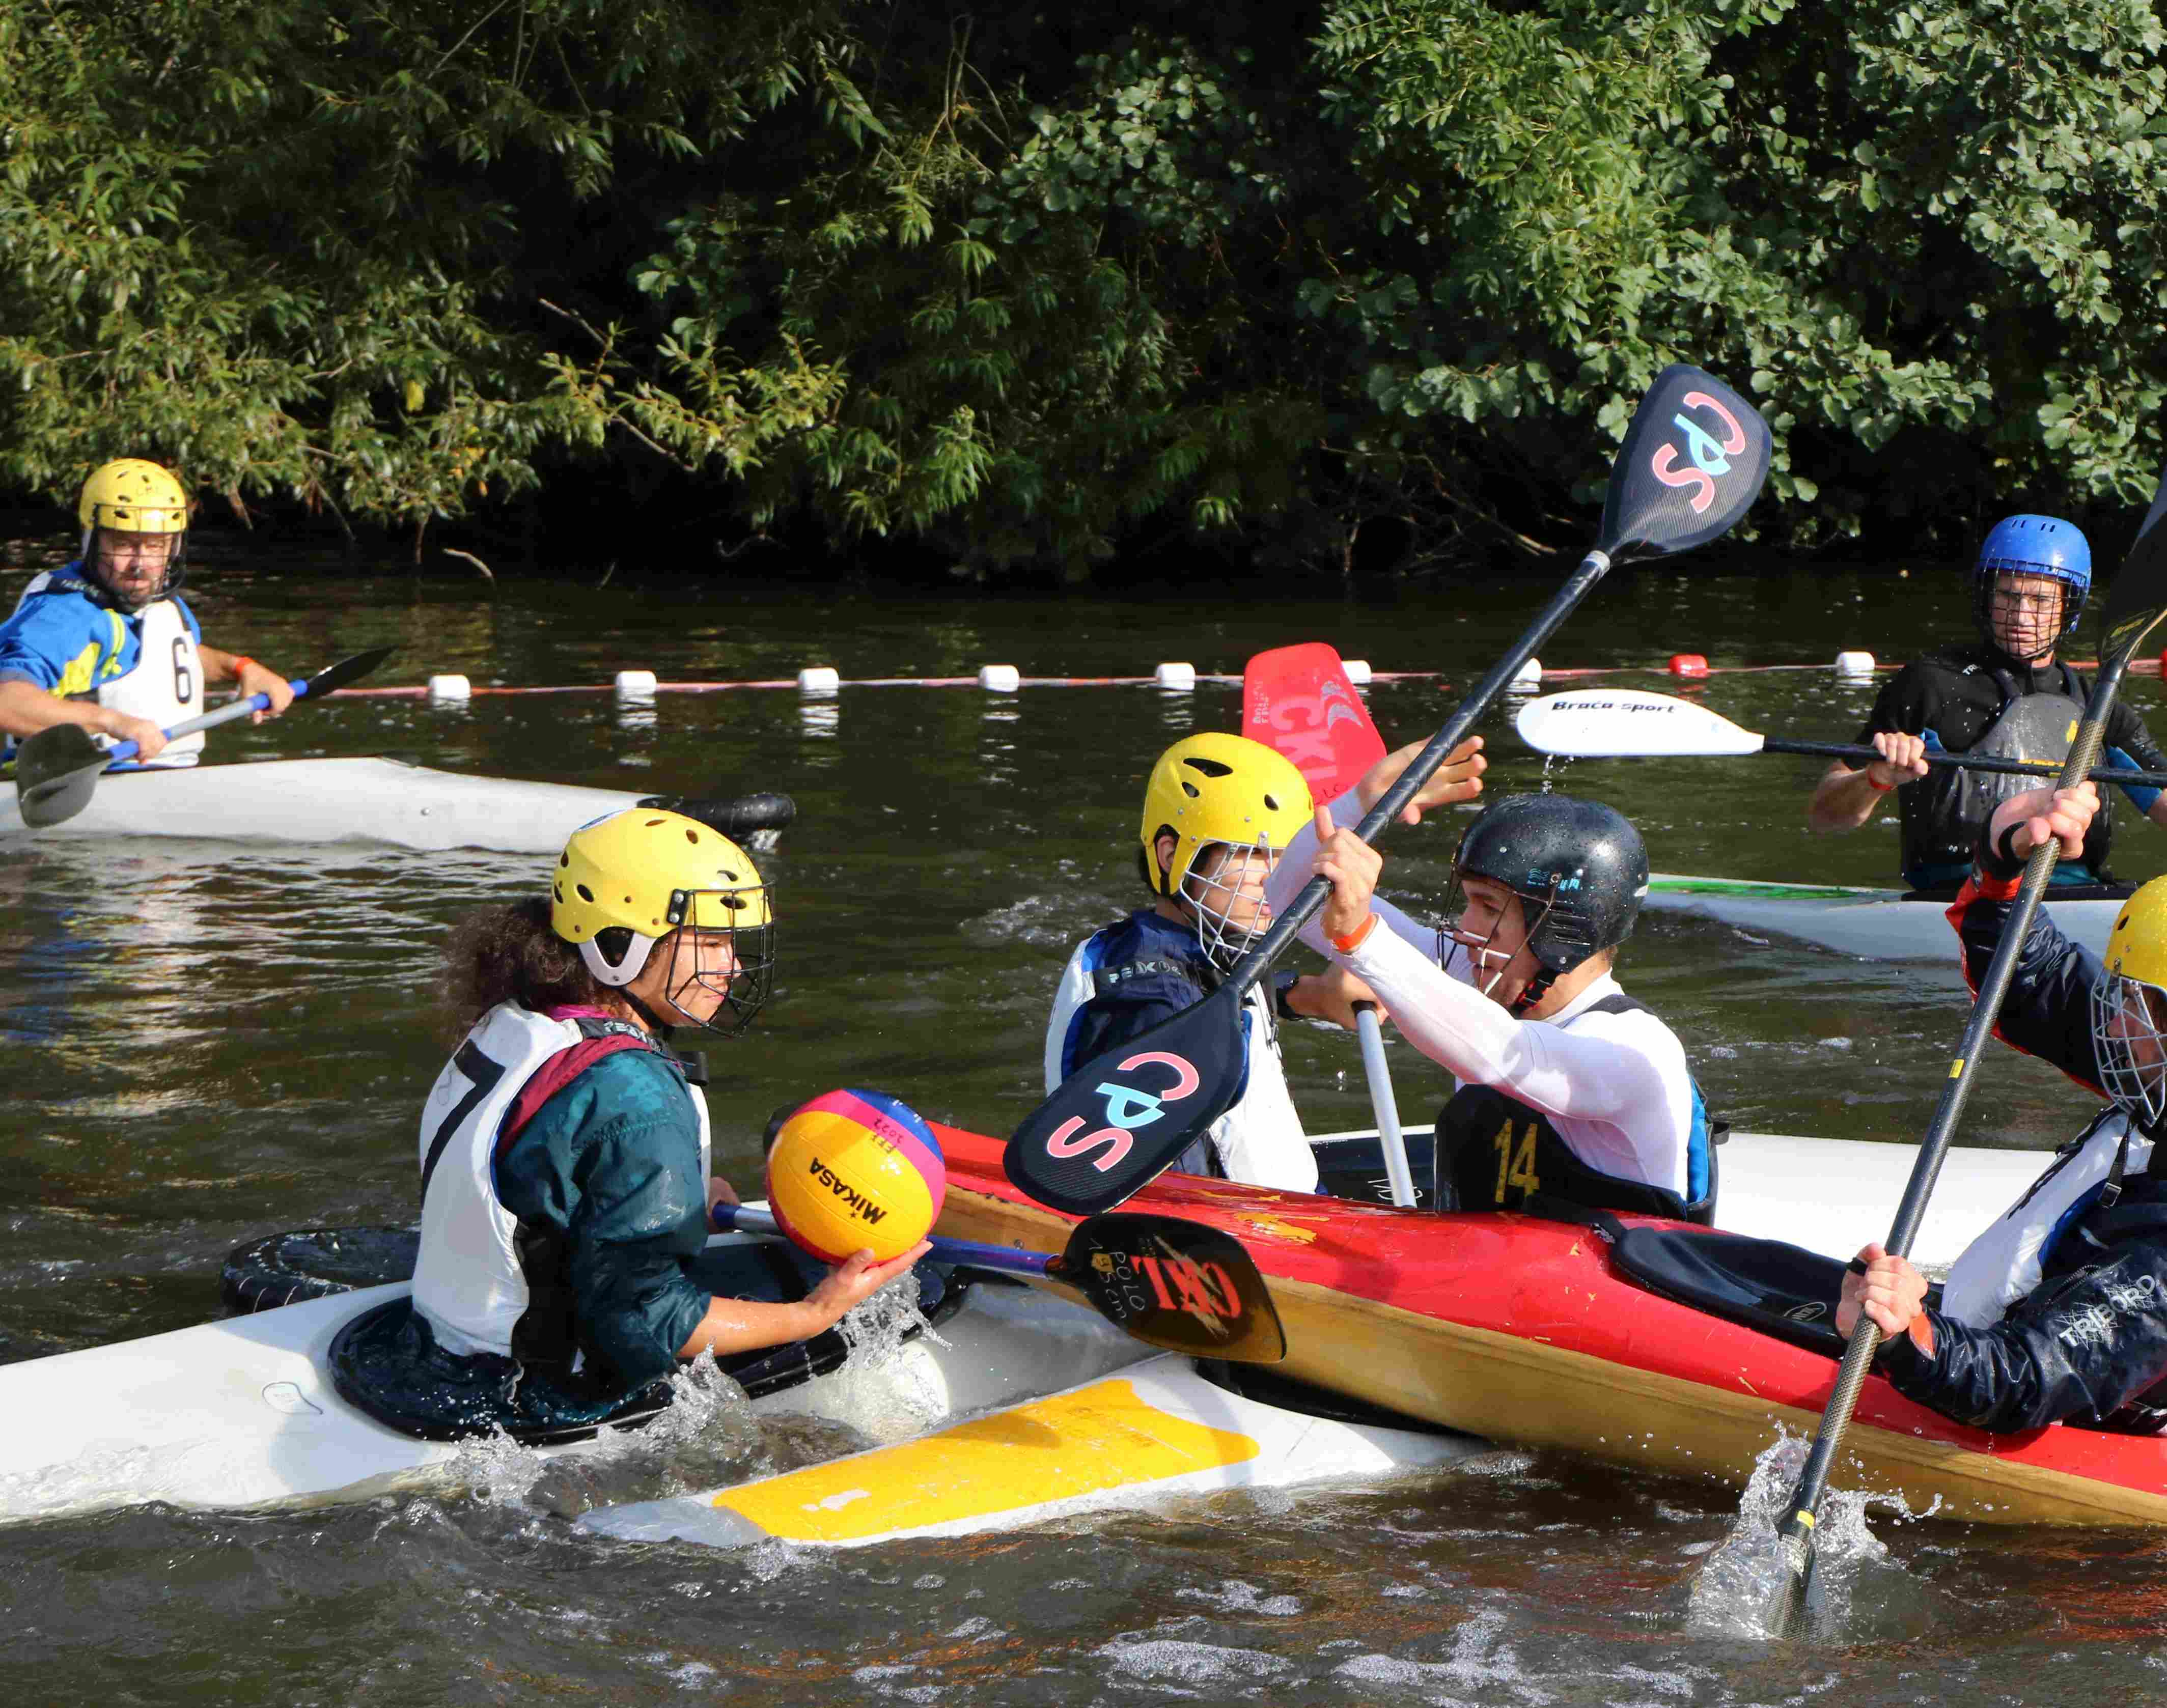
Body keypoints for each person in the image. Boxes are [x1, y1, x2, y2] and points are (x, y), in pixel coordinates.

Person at [336, 808, 923, 1437]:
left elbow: (548, 1180)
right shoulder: (636, 1093)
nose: (732, 967)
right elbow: (644, 1325)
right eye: (710, 942)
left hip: (438, 1343)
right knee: (893, 1294)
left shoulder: (517, 1019)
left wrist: (681, 1194)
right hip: (538, 1392)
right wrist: (814, 1313)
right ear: (620, 948)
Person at [1835, 779, 2167, 1438]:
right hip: (2018, 1334)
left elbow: (2022, 1385)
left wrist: (1903, 1335)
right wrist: (2004, 862)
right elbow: (2037, 982)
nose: (2112, 1025)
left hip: (2033, 1401)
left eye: (2136, 1006)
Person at [1048, 730, 1486, 1190]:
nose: (1275, 874)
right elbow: (1164, 1190)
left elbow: (1209, 985)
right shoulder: (1149, 1006)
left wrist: (1307, 995)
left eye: (1282, 854)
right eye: (1252, 853)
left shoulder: (1167, 945)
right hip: (1246, 1236)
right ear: (1172, 854)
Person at [1290, 789, 1714, 1221]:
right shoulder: (1476, 975)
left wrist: (1362, 939)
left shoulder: (1635, 1048)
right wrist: (1364, 802)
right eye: (1469, 901)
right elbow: (1290, 894)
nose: (1464, 928)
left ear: (1564, 929)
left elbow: (1507, 1054)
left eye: (1488, 907)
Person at [1805, 513, 2167, 896]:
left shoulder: (2097, 703)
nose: (2022, 617)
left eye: (2041, 601)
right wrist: (1877, 778)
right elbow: (1825, 815)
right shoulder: (1929, 683)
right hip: (1960, 894)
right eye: (2008, 596)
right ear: (1987, 596)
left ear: (2068, 606)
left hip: (2073, 893)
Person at [0, 460, 294, 766]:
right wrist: (113, 723)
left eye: (156, 546)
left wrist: (242, 668)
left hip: (161, 778)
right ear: (91, 542)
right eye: (125, 544)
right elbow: (7, 702)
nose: (140, 565)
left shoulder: (155, 600)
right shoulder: (66, 615)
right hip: (80, 787)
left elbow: (165, 659)